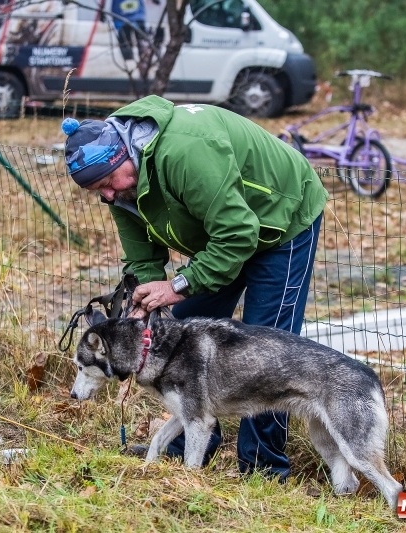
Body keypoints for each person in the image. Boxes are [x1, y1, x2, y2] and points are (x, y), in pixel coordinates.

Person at [61, 95, 328, 481]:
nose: (105, 196)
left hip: (280, 221)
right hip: (220, 233)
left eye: (106, 184)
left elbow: (238, 234)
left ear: (122, 158)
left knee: (269, 349)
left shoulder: (185, 153)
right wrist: (148, 293)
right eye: (97, 191)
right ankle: (189, 443)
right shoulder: (121, 184)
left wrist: (181, 284)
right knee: (181, 332)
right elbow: (142, 254)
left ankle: (263, 468)